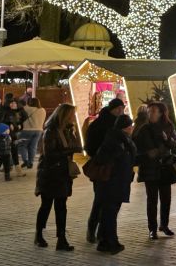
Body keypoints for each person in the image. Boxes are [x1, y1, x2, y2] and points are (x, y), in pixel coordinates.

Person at [35, 103, 82, 252]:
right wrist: (70, 150)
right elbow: (49, 154)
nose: (73, 117)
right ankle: (39, 235)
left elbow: (74, 146)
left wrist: (75, 145)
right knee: (46, 205)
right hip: (50, 173)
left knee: (61, 206)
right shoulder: (50, 131)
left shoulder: (68, 130)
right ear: (64, 115)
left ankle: (61, 239)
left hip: (63, 173)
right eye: (71, 115)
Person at [134, 102, 176, 239]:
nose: (150, 114)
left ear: (161, 113)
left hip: (165, 167)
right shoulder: (144, 129)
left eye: (153, 111)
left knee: (166, 198)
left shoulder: (168, 126)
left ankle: (164, 225)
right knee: (152, 200)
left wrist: (167, 140)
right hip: (149, 168)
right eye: (149, 111)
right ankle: (152, 229)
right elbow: (138, 148)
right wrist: (148, 154)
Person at [84, 98, 127, 244]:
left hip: (113, 168)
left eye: (122, 108)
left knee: (106, 201)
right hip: (102, 167)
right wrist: (101, 156)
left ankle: (101, 232)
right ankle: (93, 230)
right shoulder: (102, 125)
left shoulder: (117, 124)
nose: (121, 111)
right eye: (119, 108)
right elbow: (90, 146)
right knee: (100, 200)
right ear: (113, 109)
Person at [93, 114, 137, 255]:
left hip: (119, 181)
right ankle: (112, 242)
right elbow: (103, 158)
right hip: (113, 181)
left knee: (110, 212)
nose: (132, 128)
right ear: (126, 127)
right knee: (110, 212)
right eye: (130, 126)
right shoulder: (116, 140)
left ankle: (104, 241)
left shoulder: (122, 139)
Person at [19, 100, 46, 170]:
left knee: (23, 145)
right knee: (33, 147)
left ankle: (25, 161)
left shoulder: (26, 108)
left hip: (27, 130)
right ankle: (30, 162)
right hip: (39, 130)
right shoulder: (43, 110)